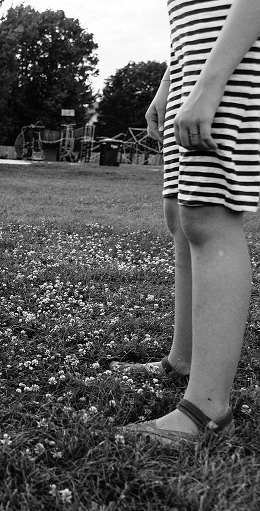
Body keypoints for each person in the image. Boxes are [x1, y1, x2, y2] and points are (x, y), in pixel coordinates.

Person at [117, 0, 260, 445]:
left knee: (209, 214)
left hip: (231, 58)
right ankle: (184, 359)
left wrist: (211, 82)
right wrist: (171, 81)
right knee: (180, 213)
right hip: (195, 61)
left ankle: (208, 409)